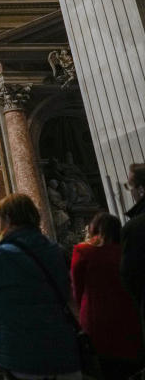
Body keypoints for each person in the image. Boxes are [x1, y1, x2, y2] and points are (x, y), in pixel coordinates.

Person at [0, 194, 81, 378]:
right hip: (60, 345)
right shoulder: (55, 250)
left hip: (20, 349)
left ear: (7, 219)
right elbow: (67, 291)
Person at [73, 212, 142, 378]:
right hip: (129, 316)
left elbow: (77, 288)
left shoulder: (83, 252)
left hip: (96, 319)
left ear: (93, 228)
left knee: (104, 368)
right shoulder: (125, 251)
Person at [121, 162, 145, 346]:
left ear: (141, 189)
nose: (130, 191)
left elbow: (128, 276)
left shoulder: (134, 228)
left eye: (130, 186)